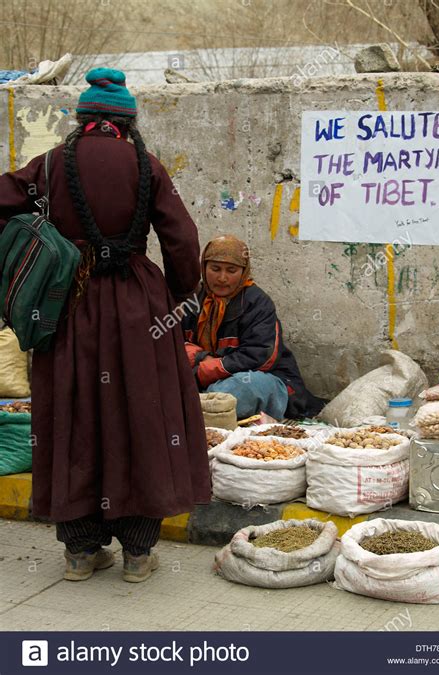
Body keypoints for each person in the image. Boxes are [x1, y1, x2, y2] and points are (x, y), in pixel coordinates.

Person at [0, 68, 211, 582]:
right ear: (128, 122)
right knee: (143, 412)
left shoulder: (49, 164)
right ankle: (138, 552)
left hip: (65, 303)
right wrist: (183, 297)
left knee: (72, 412)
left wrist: (34, 251)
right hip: (141, 308)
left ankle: (79, 551)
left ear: (82, 120)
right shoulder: (147, 165)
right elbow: (182, 239)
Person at [182, 235, 326, 420]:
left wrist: (211, 368)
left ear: (244, 272)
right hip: (203, 376)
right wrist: (203, 358)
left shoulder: (257, 303)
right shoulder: (193, 301)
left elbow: (260, 357)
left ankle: (202, 411)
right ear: (204, 268)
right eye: (215, 269)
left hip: (264, 379)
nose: (222, 278)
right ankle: (202, 409)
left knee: (236, 390)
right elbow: (171, 343)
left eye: (231, 270)